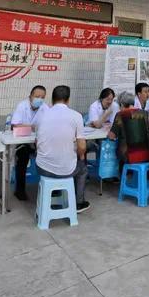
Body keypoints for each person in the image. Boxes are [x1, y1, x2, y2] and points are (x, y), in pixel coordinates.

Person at [35, 85, 90, 213]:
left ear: (52, 99)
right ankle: (79, 203)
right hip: (66, 170)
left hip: (42, 168)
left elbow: (37, 143)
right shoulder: (76, 116)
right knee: (82, 169)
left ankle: (54, 193)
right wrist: (81, 157)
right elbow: (82, 146)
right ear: (68, 99)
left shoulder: (41, 116)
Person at [10, 85, 49, 201]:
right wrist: (31, 126)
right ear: (30, 96)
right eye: (37, 96)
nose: (39, 99)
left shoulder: (45, 108)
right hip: (23, 142)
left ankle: (49, 186)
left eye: (42, 97)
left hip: (39, 141)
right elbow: (15, 125)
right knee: (23, 156)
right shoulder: (22, 106)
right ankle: (20, 191)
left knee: (51, 155)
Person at [109, 91, 149, 165]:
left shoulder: (120, 115)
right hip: (146, 154)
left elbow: (112, 136)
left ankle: (121, 170)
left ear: (122, 104)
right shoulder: (144, 113)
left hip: (127, 156)